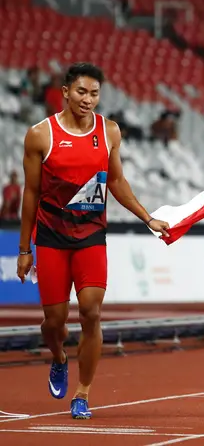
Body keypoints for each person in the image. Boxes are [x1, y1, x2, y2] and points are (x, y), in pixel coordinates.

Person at [15, 62, 170, 419]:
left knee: (91, 312)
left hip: (91, 237)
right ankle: (59, 357)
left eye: (95, 93)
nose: (88, 100)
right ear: (65, 92)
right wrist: (25, 250)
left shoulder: (110, 131)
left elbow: (116, 182)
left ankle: (82, 393)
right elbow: (31, 193)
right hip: (52, 237)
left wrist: (148, 217)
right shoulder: (40, 135)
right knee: (54, 323)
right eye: (81, 92)